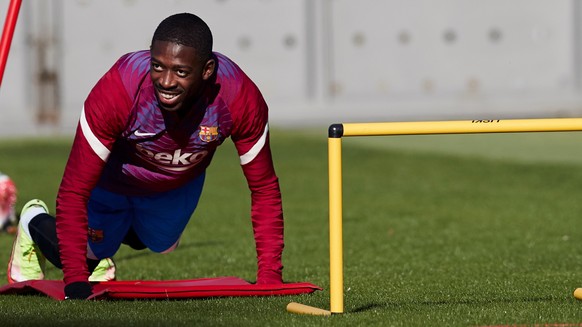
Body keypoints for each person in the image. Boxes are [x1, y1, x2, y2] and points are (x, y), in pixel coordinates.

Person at [7, 13, 284, 299]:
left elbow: (263, 187)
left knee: (159, 243)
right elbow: (74, 190)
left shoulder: (239, 97)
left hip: (175, 183)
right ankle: (33, 221)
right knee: (86, 256)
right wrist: (75, 279)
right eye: (158, 66)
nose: (165, 81)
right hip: (114, 181)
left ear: (207, 70)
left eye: (180, 72)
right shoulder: (119, 89)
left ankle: (118, 233)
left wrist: (270, 276)